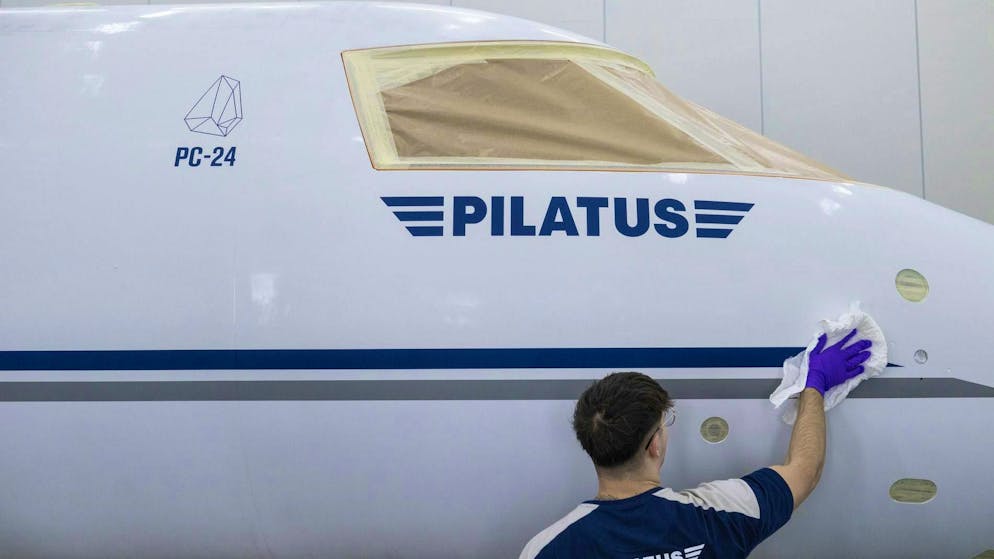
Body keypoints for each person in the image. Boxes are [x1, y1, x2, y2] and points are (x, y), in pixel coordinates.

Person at [519, 329, 872, 559]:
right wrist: (815, 384)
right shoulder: (717, 517)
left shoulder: (545, 549)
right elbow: (805, 470)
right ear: (655, 445)